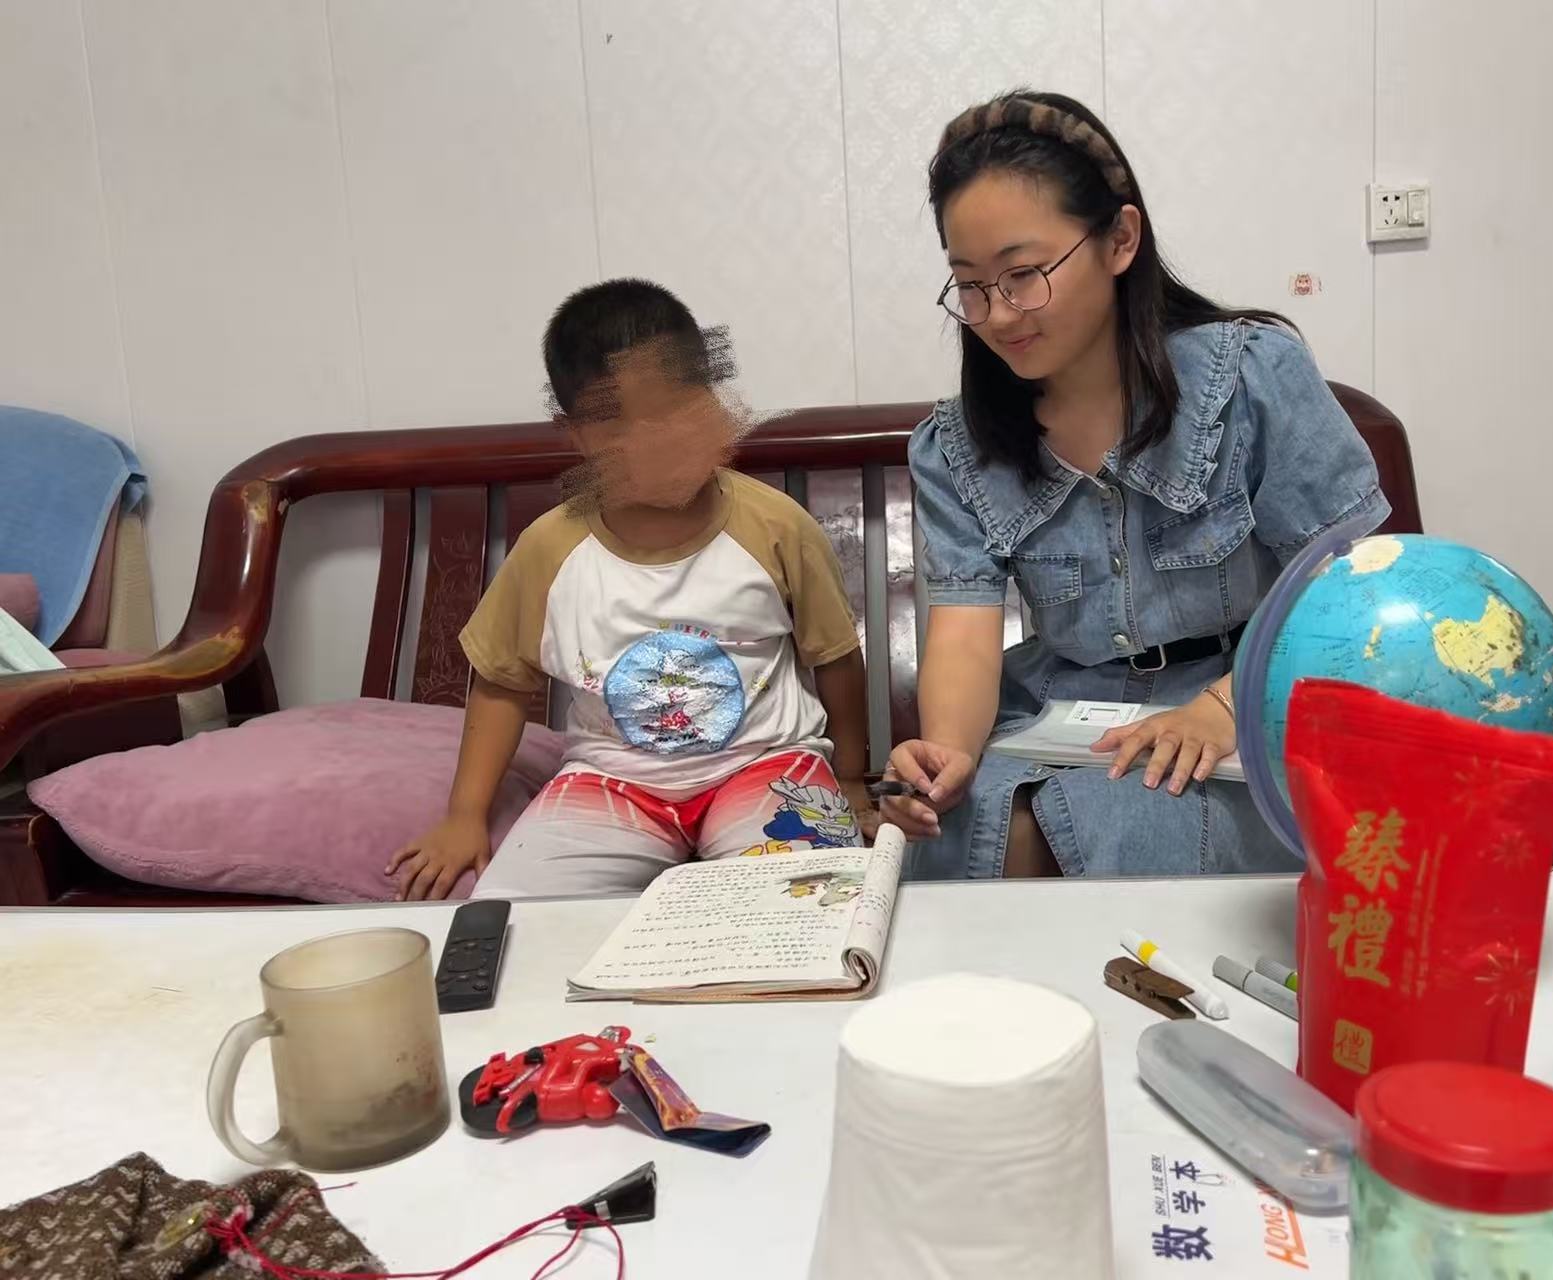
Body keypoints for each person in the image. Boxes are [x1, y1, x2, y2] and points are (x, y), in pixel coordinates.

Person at [881, 92, 1390, 879]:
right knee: (956, 829)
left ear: (1119, 239)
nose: (997, 315)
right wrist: (945, 751)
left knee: (1126, 818)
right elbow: (964, 634)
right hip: (1058, 708)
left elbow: (1348, 588)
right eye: (970, 286)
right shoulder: (958, 445)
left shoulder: (1248, 378)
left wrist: (1221, 709)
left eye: (1022, 274)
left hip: (1249, 690)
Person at [388, 279, 876, 900]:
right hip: (610, 782)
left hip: (767, 768)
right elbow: (502, 682)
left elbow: (835, 656)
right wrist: (465, 816)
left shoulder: (777, 527)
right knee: (511, 916)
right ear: (574, 434)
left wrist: (851, 778)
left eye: (676, 411)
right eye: (618, 424)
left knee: (818, 903)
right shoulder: (549, 550)